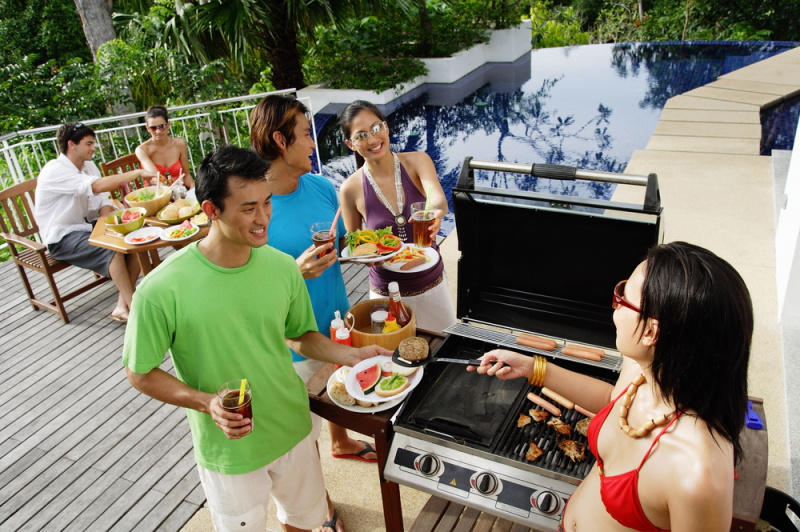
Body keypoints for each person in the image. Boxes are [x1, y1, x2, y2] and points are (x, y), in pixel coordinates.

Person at [123, 145, 391, 532]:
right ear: (211, 210)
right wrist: (206, 403)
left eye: (266, 203)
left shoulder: (283, 266)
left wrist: (351, 355)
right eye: (248, 208)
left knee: (304, 522)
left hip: (293, 427)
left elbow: (299, 336)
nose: (263, 217)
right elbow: (140, 372)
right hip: (230, 446)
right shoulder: (161, 288)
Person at [469, 241, 752, 532]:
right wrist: (533, 368)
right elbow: (612, 399)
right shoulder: (646, 369)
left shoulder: (695, 475)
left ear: (651, 332)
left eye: (622, 298)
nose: (614, 306)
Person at [249, 96, 379, 484]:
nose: (313, 144)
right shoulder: (255, 207)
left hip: (334, 318)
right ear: (280, 140)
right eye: (306, 134)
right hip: (292, 339)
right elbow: (245, 282)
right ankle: (318, 506)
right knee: (304, 433)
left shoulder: (321, 186)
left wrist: (376, 244)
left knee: (338, 386)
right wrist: (294, 271)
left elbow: (345, 243)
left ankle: (342, 441)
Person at [338, 100, 457, 333]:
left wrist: (435, 212)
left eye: (375, 129)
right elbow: (355, 242)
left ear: (386, 127)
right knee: (395, 361)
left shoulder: (417, 160)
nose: (372, 140)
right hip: (386, 291)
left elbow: (438, 199)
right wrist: (365, 256)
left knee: (444, 349)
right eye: (361, 135)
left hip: (431, 281)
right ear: (350, 144)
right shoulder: (349, 188)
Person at [34, 122, 158, 322]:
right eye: (89, 144)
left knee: (136, 238)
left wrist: (107, 226)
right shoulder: (54, 171)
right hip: (62, 237)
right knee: (111, 248)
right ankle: (135, 308)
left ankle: (121, 306)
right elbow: (98, 186)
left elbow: (103, 201)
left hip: (87, 227)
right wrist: (137, 173)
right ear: (71, 144)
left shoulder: (88, 166)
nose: (94, 148)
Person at [135, 105, 195, 190]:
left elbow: (186, 175)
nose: (158, 131)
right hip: (156, 192)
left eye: (161, 126)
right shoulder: (142, 150)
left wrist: (193, 189)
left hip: (179, 191)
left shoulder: (180, 144)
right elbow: (156, 177)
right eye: (153, 128)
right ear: (148, 128)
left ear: (168, 125)